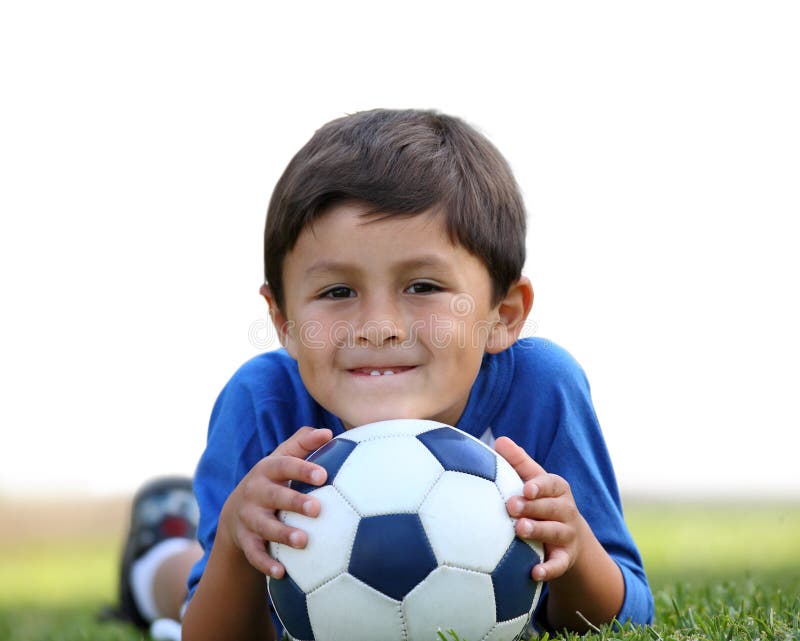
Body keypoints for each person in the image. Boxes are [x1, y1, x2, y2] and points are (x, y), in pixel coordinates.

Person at [109, 108, 654, 640]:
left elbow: (626, 615)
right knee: (180, 579)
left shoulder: (541, 389)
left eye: (423, 287)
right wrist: (233, 539)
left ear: (504, 314)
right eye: (337, 292)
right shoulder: (264, 402)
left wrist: (574, 547)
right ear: (285, 322)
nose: (378, 327)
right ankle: (157, 553)